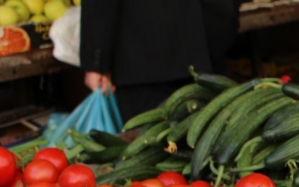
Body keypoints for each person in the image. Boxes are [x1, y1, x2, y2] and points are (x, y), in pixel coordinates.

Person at [80, 0, 243, 121]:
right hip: (206, 37)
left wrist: (97, 59)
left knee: (153, 155)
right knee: (213, 149)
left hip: (143, 52)